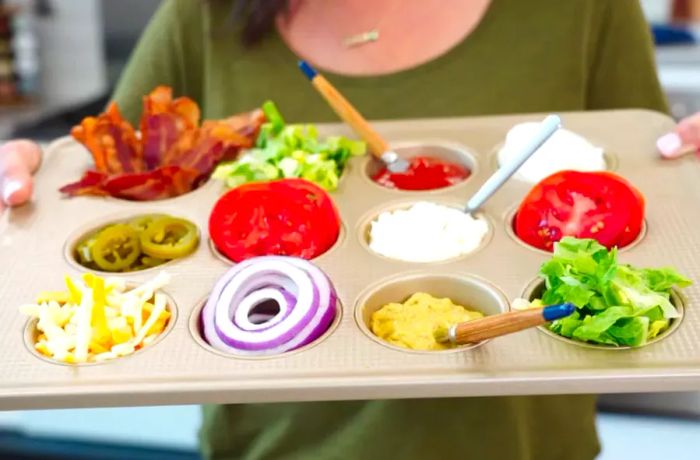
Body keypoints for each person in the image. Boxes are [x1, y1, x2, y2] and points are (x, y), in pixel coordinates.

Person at [0, 0, 691, 458]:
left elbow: (647, 181)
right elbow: (113, 174)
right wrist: (26, 176)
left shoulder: (583, 9)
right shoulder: (201, 15)